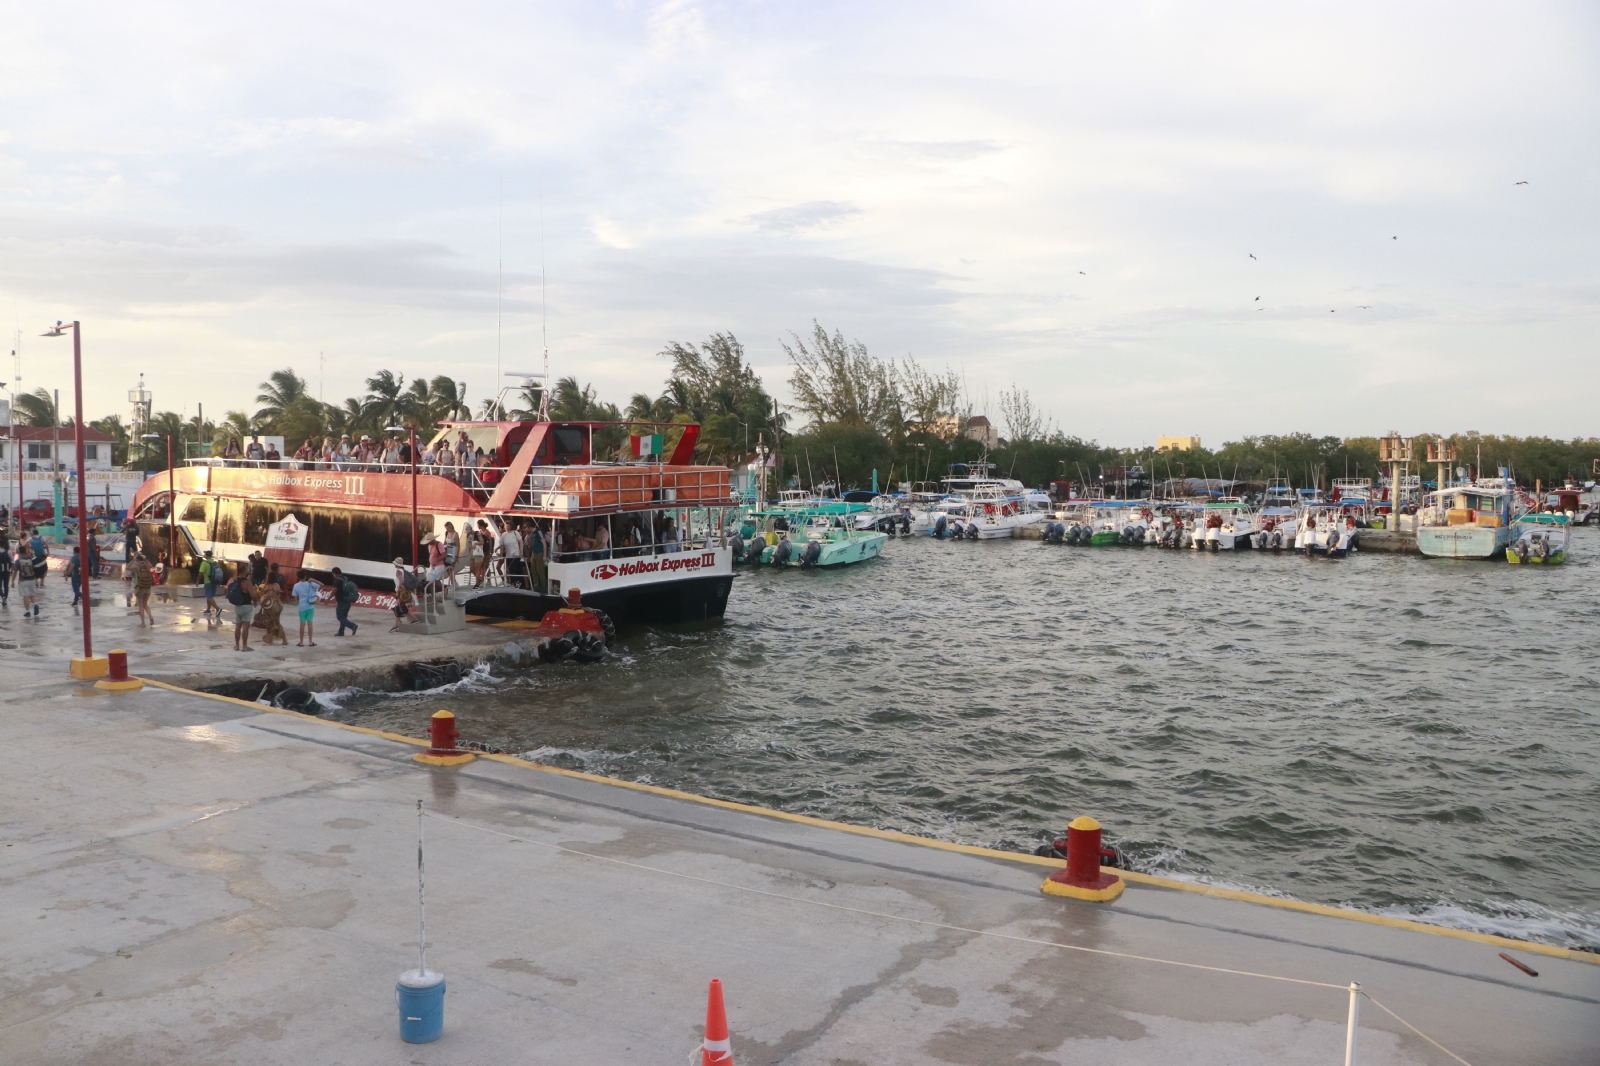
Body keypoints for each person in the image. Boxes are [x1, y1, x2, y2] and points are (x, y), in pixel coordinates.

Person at [226, 565, 258, 651]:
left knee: (238, 626)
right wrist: (256, 599)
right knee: (245, 627)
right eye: (247, 569)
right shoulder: (247, 582)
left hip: (237, 606)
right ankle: (244, 646)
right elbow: (252, 595)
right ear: (244, 571)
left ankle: (237, 645)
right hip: (246, 606)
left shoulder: (234, 580)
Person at [290, 568, 319, 646]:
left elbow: (295, 597)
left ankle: (301, 642)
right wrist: (313, 580)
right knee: (310, 623)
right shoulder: (310, 584)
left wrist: (298, 603)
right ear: (306, 576)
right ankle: (310, 641)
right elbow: (320, 585)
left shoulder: (296, 586)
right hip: (310, 606)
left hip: (302, 606)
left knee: (302, 624)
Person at [330, 565, 361, 636]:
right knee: (343, 617)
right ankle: (341, 632)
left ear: (334, 573)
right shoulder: (345, 578)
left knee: (340, 617)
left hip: (342, 601)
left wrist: (328, 598)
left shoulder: (337, 581)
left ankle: (352, 626)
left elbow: (334, 590)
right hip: (348, 600)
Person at [257, 579, 286, 645]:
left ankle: (270, 641)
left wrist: (263, 603)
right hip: (279, 604)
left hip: (272, 606)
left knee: (269, 622)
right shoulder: (277, 585)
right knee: (277, 622)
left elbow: (269, 594)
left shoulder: (269, 585)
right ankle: (284, 639)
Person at [390, 557, 415, 631]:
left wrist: (398, 591)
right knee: (402, 607)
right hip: (403, 590)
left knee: (398, 608)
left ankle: (396, 625)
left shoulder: (398, 571)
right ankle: (415, 619)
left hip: (400, 591)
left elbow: (400, 581)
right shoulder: (403, 570)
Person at [498, 521, 523, 588]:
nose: (506, 527)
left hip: (515, 554)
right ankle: (512, 582)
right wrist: (501, 554)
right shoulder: (504, 535)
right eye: (505, 526)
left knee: (513, 568)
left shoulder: (515, 533)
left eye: (507, 526)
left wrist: (521, 552)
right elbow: (502, 545)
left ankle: (516, 582)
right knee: (509, 569)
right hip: (508, 555)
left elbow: (520, 542)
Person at [132, 553, 155, 626]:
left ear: (137, 560)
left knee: (140, 606)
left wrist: (132, 560)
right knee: (145, 605)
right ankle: (151, 617)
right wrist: (145, 560)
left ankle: (143, 623)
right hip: (147, 587)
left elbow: (127, 568)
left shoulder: (137, 566)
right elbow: (152, 566)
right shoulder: (148, 566)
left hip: (140, 587)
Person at [199, 551, 222, 617]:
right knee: (209, 597)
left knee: (209, 597)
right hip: (214, 582)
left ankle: (218, 608)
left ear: (206, 555)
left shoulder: (204, 563)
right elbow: (218, 573)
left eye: (205, 554)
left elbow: (201, 573)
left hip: (208, 582)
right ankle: (208, 610)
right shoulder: (215, 562)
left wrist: (198, 581)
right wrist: (219, 582)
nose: (204, 555)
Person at [469, 519, 491, 587]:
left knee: (485, 566)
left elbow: (489, 542)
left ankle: (487, 579)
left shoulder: (487, 532)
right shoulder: (480, 532)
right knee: (481, 566)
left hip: (485, 550)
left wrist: (489, 551)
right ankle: (481, 579)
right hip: (480, 550)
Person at [17, 549, 39, 617]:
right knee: (32, 594)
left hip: (23, 580)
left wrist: (12, 581)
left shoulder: (18, 560)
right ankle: (35, 604)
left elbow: (14, 571)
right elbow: (36, 568)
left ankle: (28, 611)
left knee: (26, 596)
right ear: (26, 552)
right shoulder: (31, 559)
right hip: (32, 579)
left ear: (19, 553)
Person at [526, 521, 546, 593]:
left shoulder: (538, 532)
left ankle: (543, 587)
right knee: (533, 570)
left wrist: (544, 555)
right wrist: (529, 555)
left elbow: (544, 543)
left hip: (540, 552)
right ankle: (536, 586)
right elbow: (531, 545)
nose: (526, 529)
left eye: (526, 527)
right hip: (534, 553)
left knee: (540, 570)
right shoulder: (532, 534)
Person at [0, 539, 10, 607]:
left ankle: (2, 596)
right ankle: (5, 598)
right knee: (6, 585)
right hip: (7, 571)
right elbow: (12, 560)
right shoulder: (8, 552)